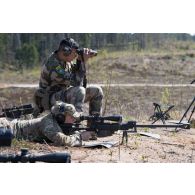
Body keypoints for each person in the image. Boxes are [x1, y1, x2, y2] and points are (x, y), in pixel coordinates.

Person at [34, 37, 103, 117]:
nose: (76, 55)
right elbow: (77, 83)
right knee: (79, 91)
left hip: (62, 96)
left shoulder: (65, 61)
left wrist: (80, 60)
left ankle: (95, 122)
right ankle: (76, 119)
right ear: (66, 51)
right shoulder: (53, 66)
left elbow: (78, 74)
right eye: (74, 53)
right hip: (48, 101)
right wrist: (82, 61)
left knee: (97, 90)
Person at [0, 102, 83, 147]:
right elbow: (62, 140)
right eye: (71, 117)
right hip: (6, 127)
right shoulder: (48, 123)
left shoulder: (56, 121)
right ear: (60, 117)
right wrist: (80, 137)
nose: (74, 119)